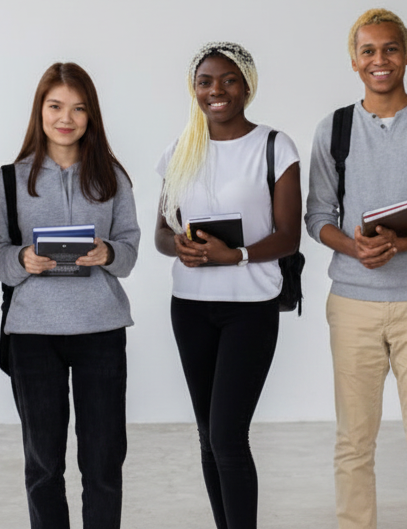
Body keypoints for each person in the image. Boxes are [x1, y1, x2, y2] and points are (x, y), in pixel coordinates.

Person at [305, 9, 407, 529]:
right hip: (352, 303)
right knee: (354, 441)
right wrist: (357, 249)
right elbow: (317, 217)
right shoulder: (333, 128)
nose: (381, 60)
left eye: (391, 49)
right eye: (369, 51)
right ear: (354, 60)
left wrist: (403, 243)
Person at [0, 62, 140, 529]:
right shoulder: (11, 179)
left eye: (78, 108)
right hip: (33, 334)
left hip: (101, 330)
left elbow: (130, 253)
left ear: (91, 115)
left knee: (104, 463)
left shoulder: (113, 177)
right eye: (55, 106)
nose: (65, 118)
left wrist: (108, 252)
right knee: (44, 465)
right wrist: (22, 261)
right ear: (40, 111)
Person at [153, 41, 301, 529]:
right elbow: (160, 233)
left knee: (228, 436)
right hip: (191, 306)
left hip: (250, 307)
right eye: (205, 82)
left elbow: (287, 236)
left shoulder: (275, 146)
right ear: (194, 90)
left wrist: (233, 255)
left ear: (247, 86)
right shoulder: (180, 150)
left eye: (229, 80)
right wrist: (184, 248)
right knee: (207, 436)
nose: (216, 91)